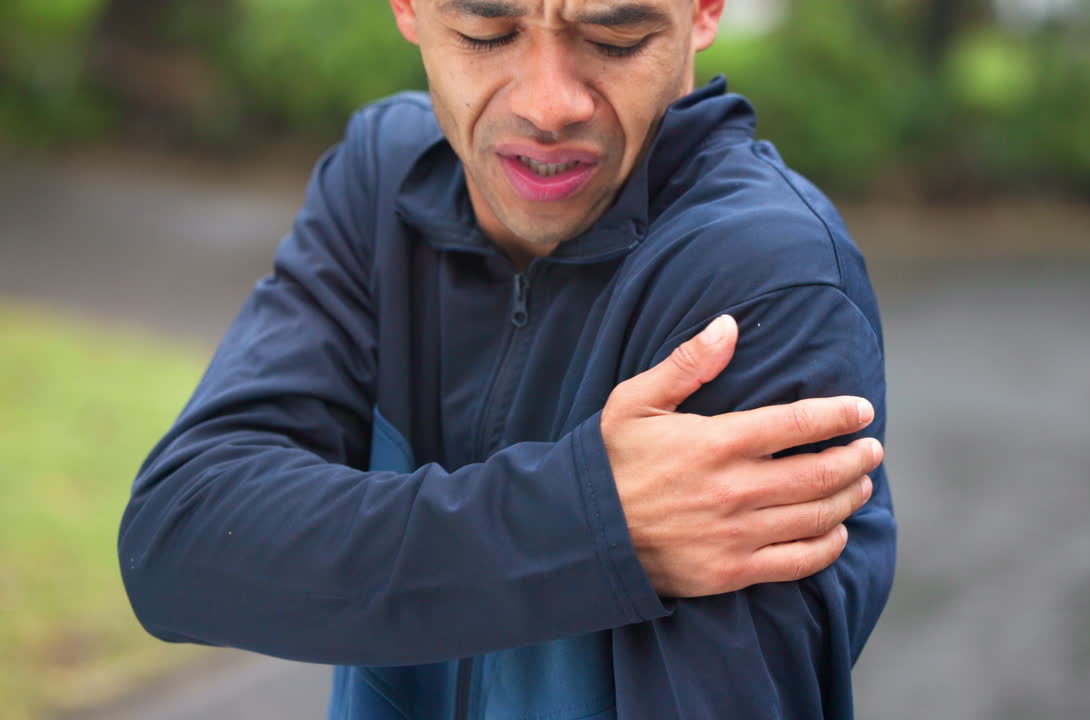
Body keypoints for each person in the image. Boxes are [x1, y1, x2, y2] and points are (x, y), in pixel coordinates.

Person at [119, 0, 896, 717]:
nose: (547, 104)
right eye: (486, 33)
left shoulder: (766, 280)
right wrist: (591, 526)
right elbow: (180, 543)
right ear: (408, 8)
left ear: (704, 9)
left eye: (614, 40)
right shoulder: (384, 180)